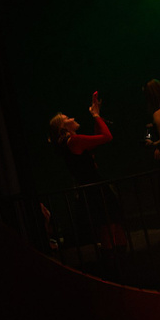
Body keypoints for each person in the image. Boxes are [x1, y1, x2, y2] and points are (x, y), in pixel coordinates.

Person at [46, 91, 126, 249]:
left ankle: (119, 258)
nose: (72, 118)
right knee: (108, 227)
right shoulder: (74, 141)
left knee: (114, 224)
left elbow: (97, 138)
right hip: (95, 190)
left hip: (93, 189)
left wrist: (97, 115)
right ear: (62, 128)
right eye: (67, 118)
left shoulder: (71, 142)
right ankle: (114, 260)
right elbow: (107, 137)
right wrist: (96, 115)